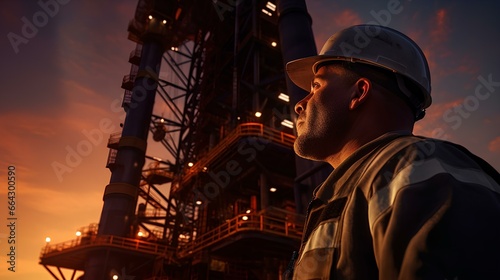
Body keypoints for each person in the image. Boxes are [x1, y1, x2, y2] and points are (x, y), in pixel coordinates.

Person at [284, 24, 500, 279]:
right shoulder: (345, 192)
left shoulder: (418, 166)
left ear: (359, 92)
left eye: (316, 87)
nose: (300, 104)